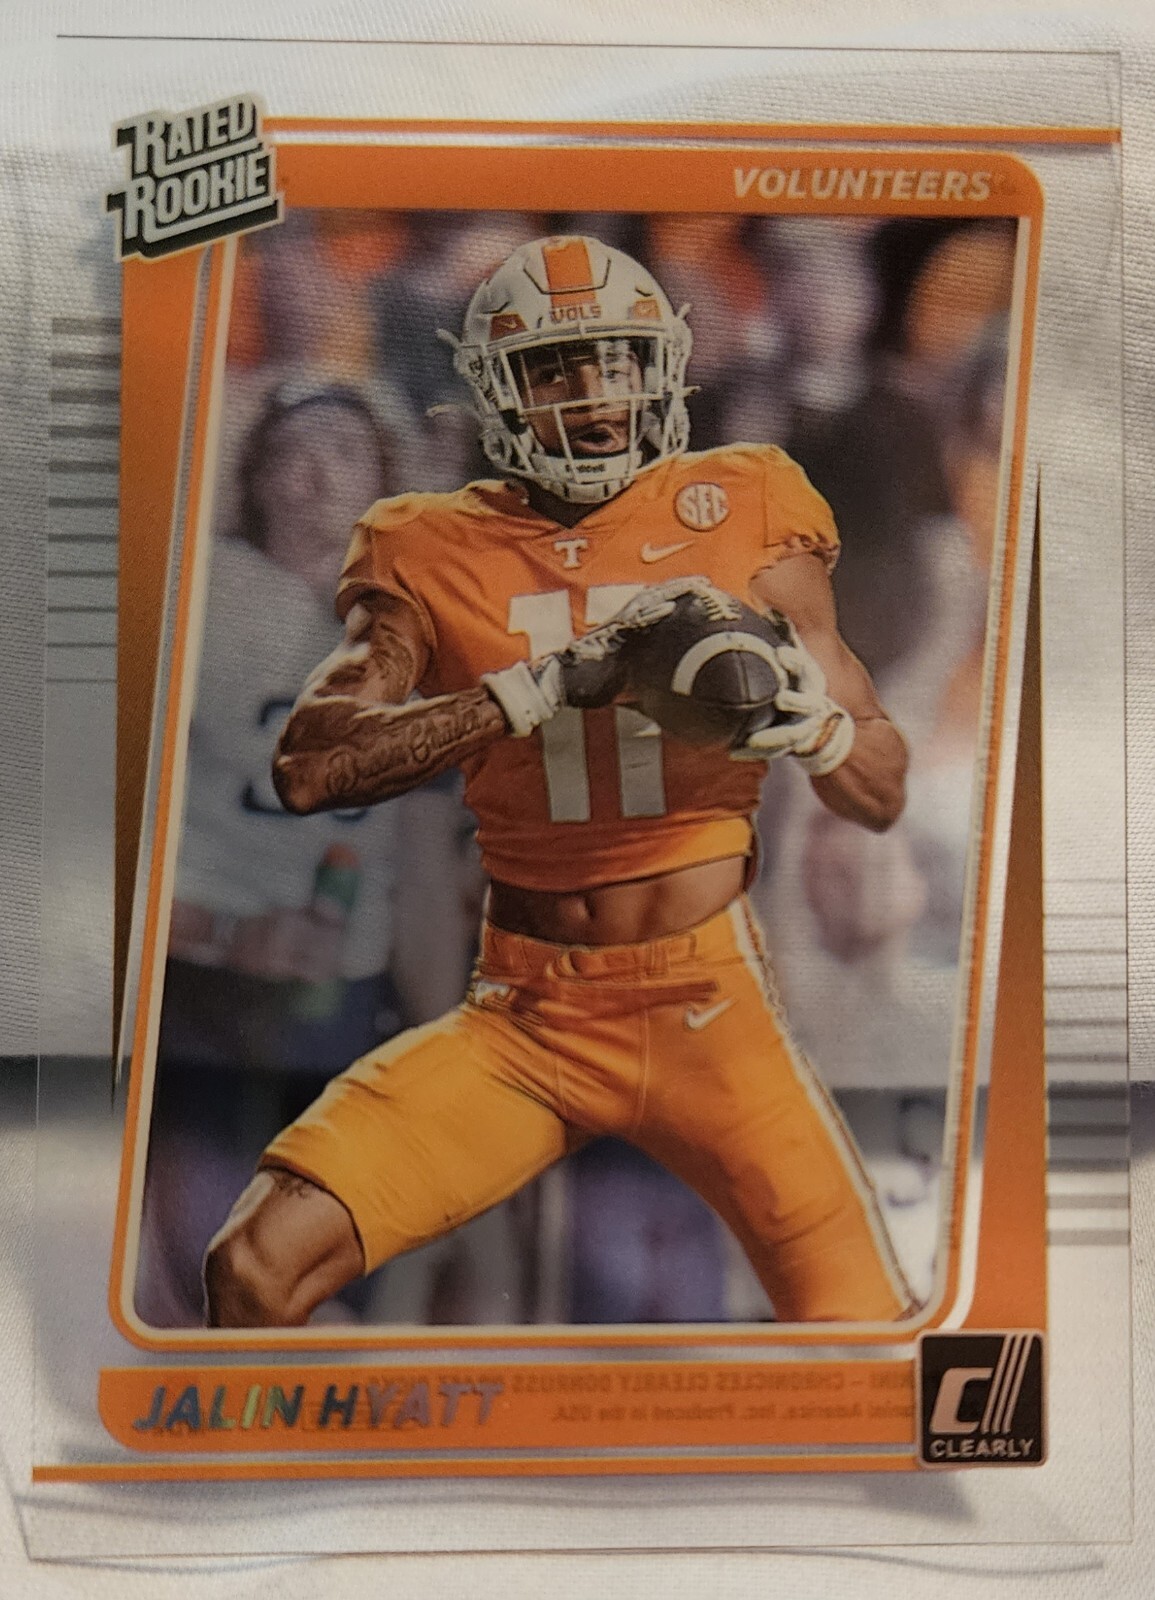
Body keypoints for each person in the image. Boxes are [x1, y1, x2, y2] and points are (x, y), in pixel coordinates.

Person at [203, 234, 915, 1329]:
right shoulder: (431, 543)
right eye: (552, 367)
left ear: (661, 368)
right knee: (254, 1265)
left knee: (864, 1332)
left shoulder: (748, 500)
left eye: (616, 360)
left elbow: (878, 779)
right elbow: (313, 764)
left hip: (708, 1003)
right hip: (528, 1012)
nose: (592, 394)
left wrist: (817, 730)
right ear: (497, 389)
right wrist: (532, 690)